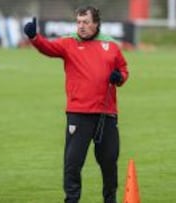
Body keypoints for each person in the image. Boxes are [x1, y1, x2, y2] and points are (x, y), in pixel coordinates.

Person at [24, 5, 129, 203]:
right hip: (79, 114)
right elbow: (48, 47)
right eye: (79, 22)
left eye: (86, 22)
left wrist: (119, 77)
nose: (81, 26)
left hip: (107, 115)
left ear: (96, 24)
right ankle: (71, 200)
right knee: (72, 164)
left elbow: (123, 69)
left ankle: (110, 200)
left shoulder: (111, 45)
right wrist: (34, 38)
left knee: (109, 163)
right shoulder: (68, 43)